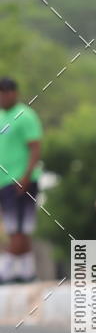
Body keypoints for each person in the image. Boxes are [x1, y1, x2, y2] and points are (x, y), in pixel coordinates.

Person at [0, 78, 43, 284]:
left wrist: (26, 176)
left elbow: (35, 147)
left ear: (14, 93)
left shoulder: (25, 115)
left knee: (19, 227)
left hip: (20, 179)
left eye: (5, 92)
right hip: (3, 180)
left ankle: (5, 270)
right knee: (15, 228)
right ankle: (27, 271)